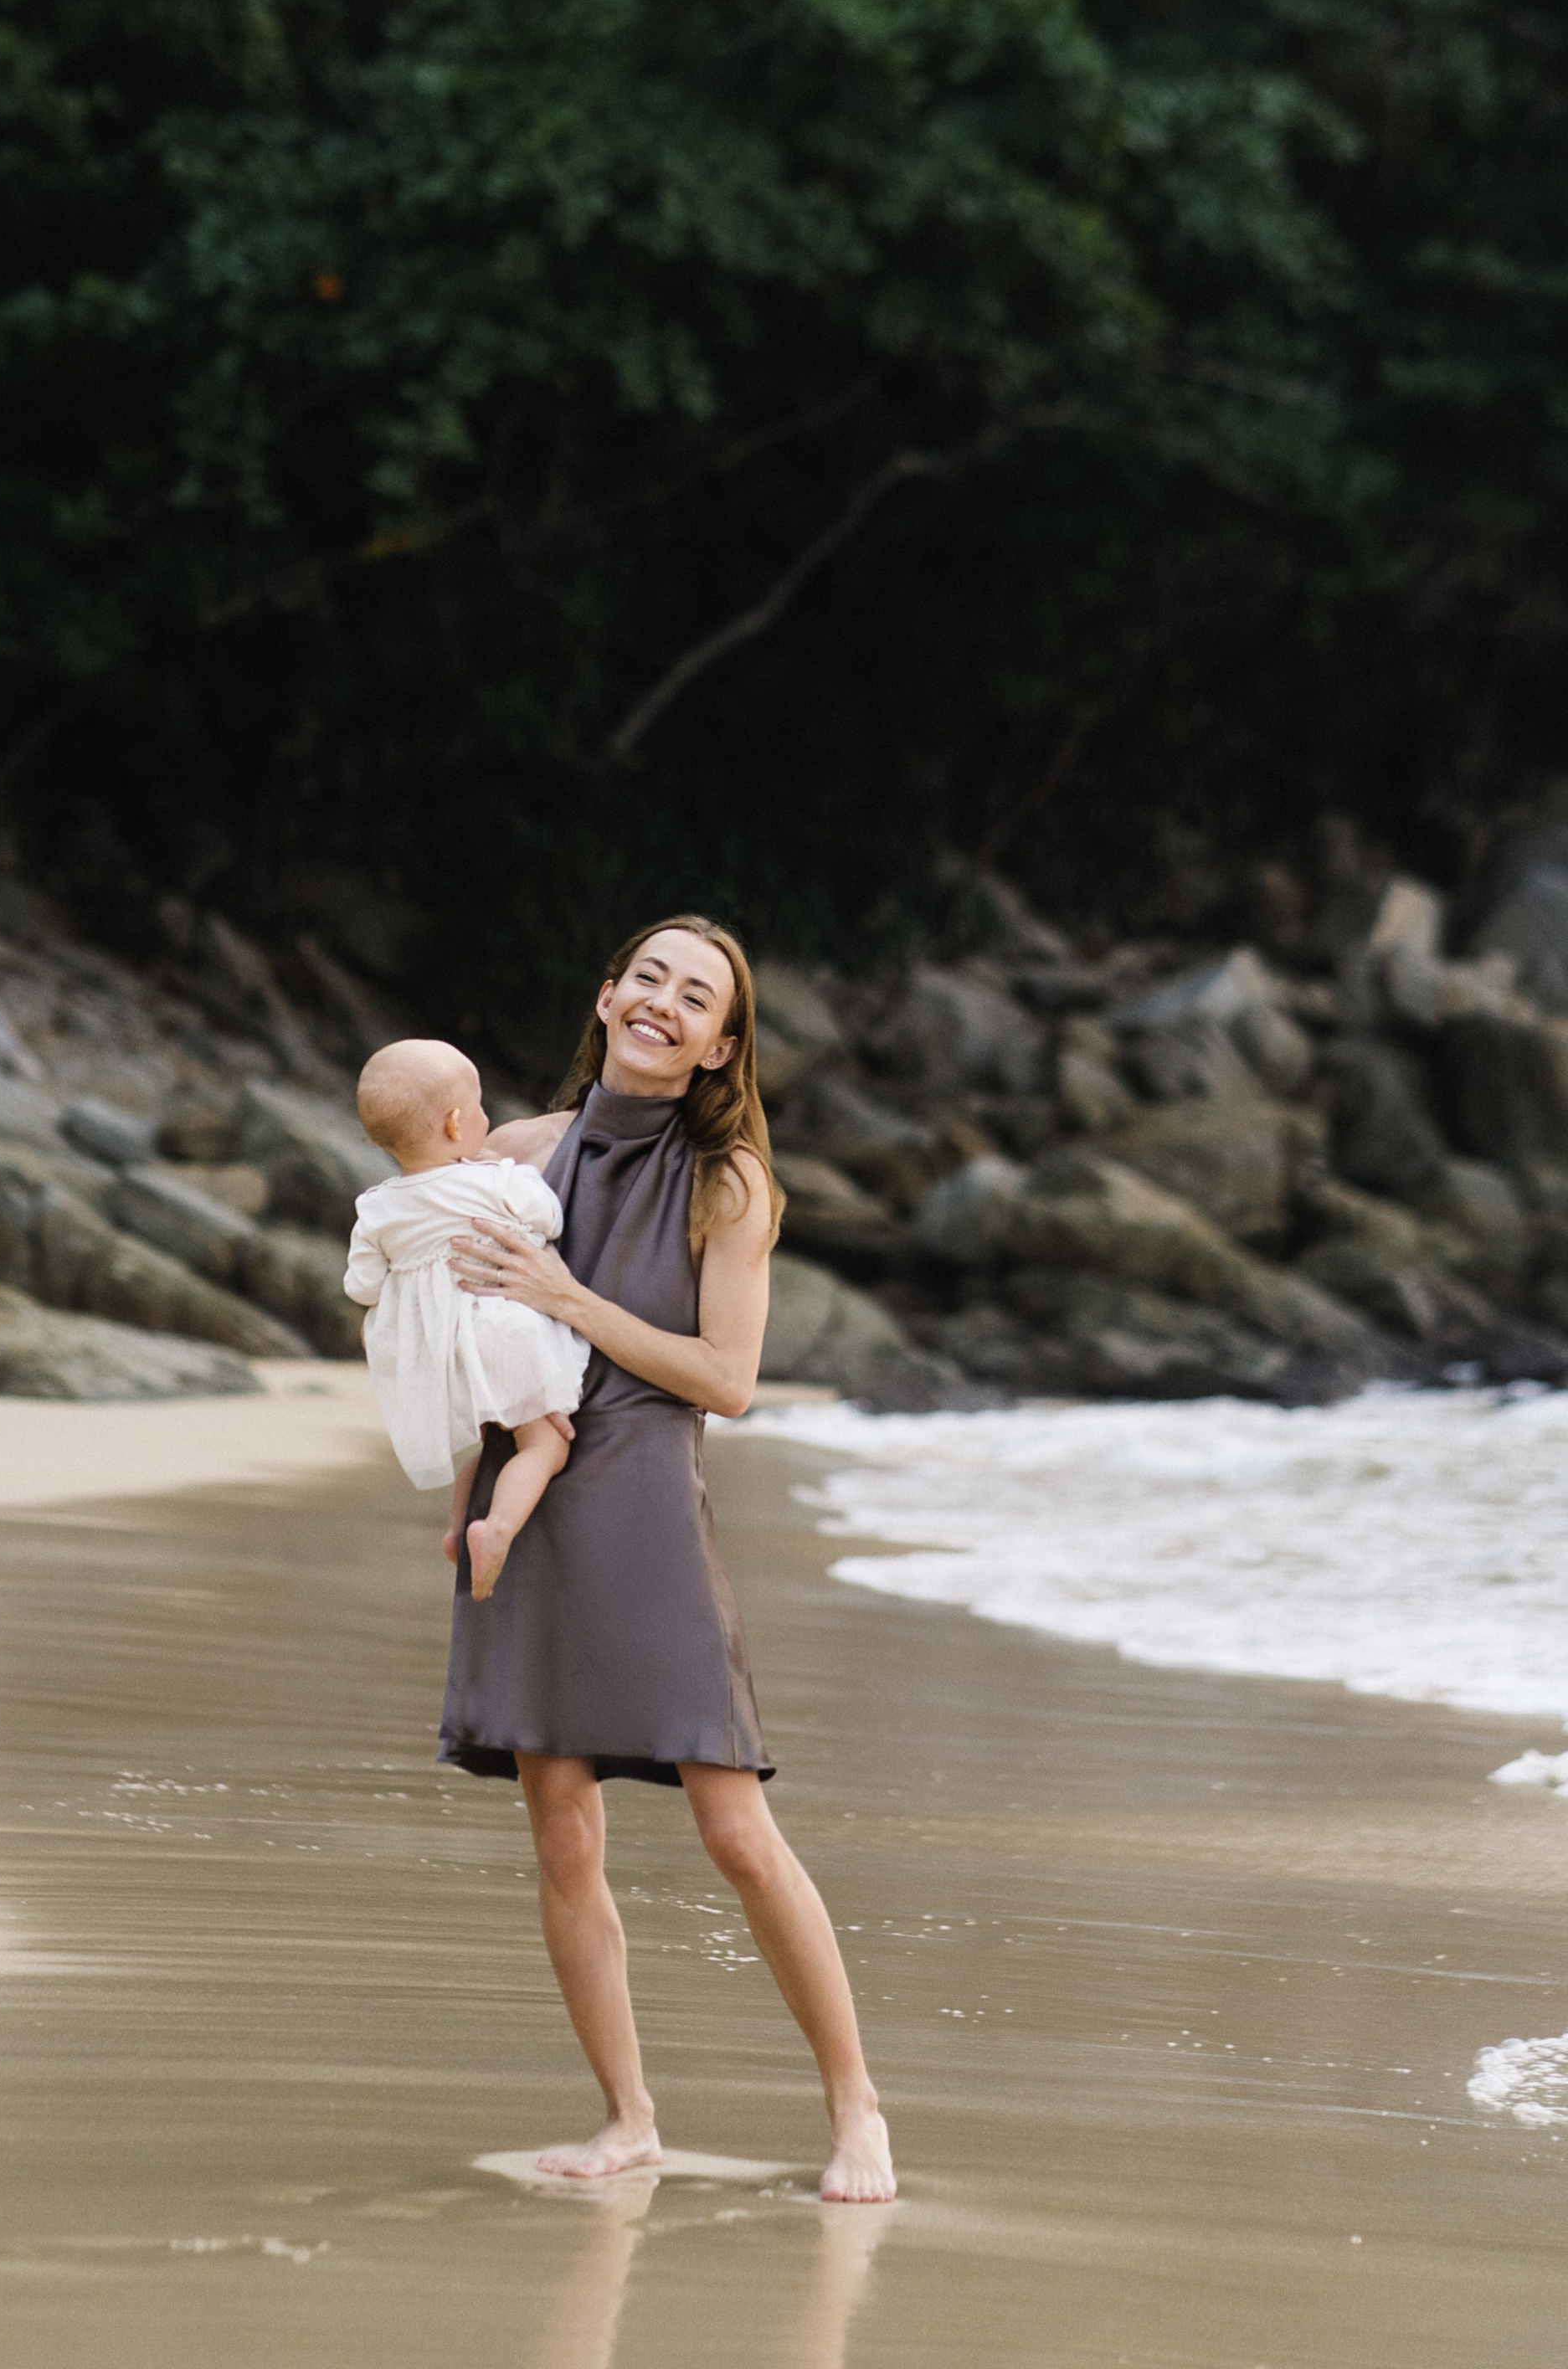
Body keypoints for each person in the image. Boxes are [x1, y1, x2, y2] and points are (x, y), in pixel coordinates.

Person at [441, 916, 895, 2203]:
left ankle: (857, 2109)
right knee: (562, 1832)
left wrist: (570, 1300)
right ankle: (627, 2118)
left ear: (719, 1046)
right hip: (524, 1505)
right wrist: (469, 1479)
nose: (663, 1003)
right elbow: (459, 1325)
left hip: (642, 1494)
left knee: (735, 1827)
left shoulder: (729, 1179)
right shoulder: (523, 1153)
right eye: (648, 977)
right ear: (605, 996)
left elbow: (730, 1382)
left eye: (695, 998)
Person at [346, 1037, 590, 1598]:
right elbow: (549, 1219)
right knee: (544, 1446)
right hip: (502, 1330)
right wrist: (511, 1176)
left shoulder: (377, 1208)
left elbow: (361, 1286)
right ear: (457, 1124)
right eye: (480, 1108)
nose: (487, 1119)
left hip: (436, 1348)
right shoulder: (496, 1180)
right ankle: (496, 1528)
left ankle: (457, 1528)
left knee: (489, 1441)